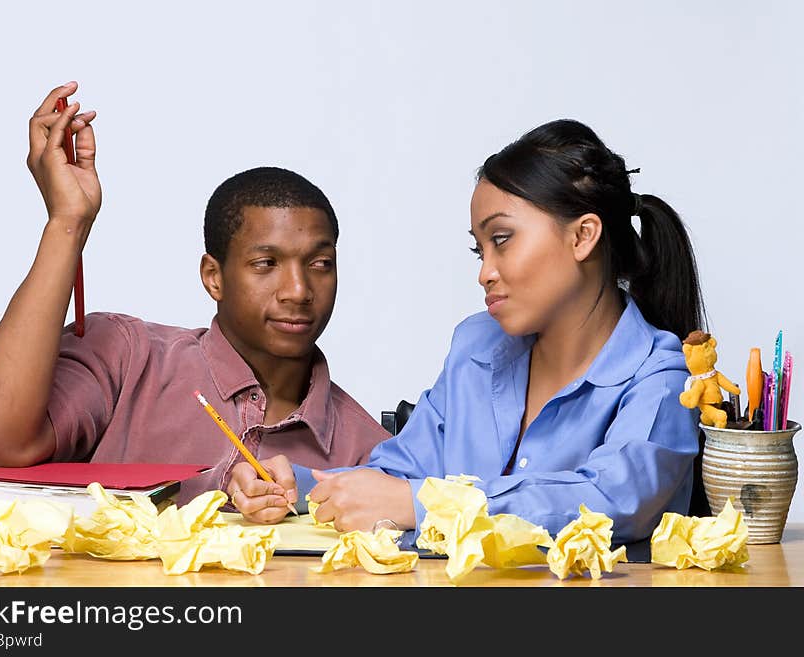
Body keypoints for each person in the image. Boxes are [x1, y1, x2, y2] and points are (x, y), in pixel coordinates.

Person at [228, 118, 706, 546]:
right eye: (480, 251)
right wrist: (300, 487)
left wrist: (422, 505)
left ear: (583, 235)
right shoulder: (477, 349)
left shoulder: (662, 379)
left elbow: (614, 500)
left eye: (502, 240)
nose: (486, 273)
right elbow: (401, 471)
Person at [0, 82, 389, 506]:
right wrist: (68, 221)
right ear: (213, 277)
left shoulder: (369, 451)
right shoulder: (127, 357)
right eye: (266, 264)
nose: (298, 291)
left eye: (320, 265)